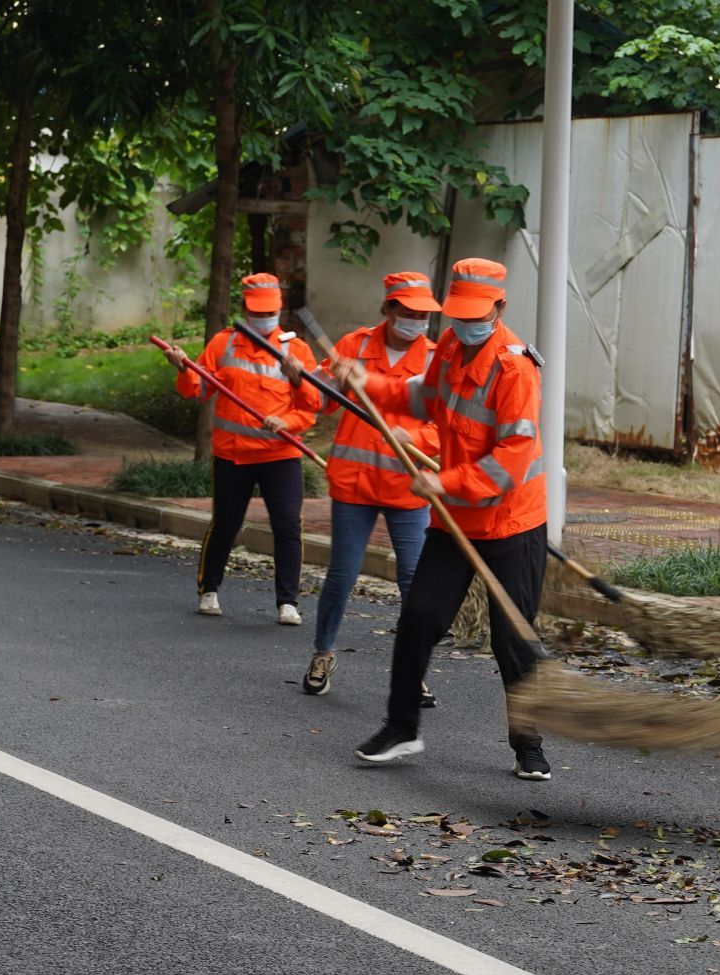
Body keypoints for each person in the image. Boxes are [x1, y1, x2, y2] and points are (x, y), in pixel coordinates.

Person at [332, 257, 552, 782]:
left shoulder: (515, 370)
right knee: (418, 620)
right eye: (458, 314)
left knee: (512, 641)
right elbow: (424, 397)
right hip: (454, 522)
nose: (465, 324)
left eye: (478, 314)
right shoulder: (451, 347)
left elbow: (513, 456)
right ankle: (401, 727)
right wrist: (369, 382)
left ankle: (528, 746)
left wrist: (444, 482)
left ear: (500, 307)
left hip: (510, 523)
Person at [301, 271, 444, 700]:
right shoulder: (354, 347)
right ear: (388, 308)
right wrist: (304, 376)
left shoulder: (437, 359)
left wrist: (416, 438)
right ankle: (323, 653)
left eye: (424, 314)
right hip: (355, 486)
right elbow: (321, 403)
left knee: (414, 581)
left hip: (408, 487)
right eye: (409, 311)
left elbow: (448, 424)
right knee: (341, 575)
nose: (417, 320)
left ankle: (412, 668)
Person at [164, 272, 320, 623]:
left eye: (270, 312)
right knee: (225, 524)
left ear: (279, 309)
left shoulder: (297, 351)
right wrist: (183, 367)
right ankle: (209, 590)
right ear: (245, 309)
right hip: (233, 454)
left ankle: (288, 601)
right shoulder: (224, 344)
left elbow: (312, 405)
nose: (264, 319)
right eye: (257, 312)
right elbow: (198, 390)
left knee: (287, 527)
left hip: (280, 455)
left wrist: (289, 419)